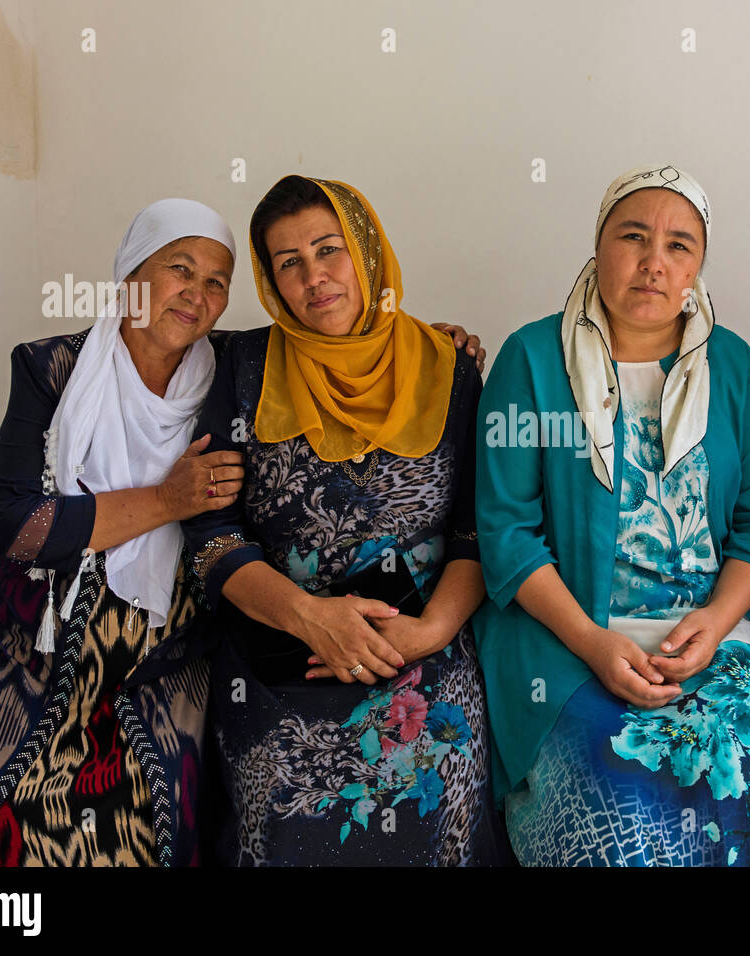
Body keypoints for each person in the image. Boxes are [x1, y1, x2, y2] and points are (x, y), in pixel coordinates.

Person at [474, 164, 750, 866]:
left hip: (705, 633)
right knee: (608, 783)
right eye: (633, 237)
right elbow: (506, 532)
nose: (654, 262)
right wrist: (593, 642)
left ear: (698, 269)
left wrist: (714, 622)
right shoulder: (531, 360)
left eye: (679, 245)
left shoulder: (733, 368)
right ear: (597, 247)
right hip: (565, 634)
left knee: (730, 772)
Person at [181, 174, 506, 866]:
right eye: (288, 262)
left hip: (422, 645)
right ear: (270, 281)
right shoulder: (241, 366)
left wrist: (430, 633)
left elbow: (477, 532)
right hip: (279, 647)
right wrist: (309, 617)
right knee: (281, 809)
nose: (315, 277)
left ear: (365, 253)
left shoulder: (449, 368)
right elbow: (212, 537)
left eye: (329, 250)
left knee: (438, 785)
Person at [0, 199, 244, 866]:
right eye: (180, 269)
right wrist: (167, 499)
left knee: (159, 835)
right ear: (132, 274)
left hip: (163, 678)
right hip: (31, 666)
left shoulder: (236, 376)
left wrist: (437, 344)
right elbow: (18, 528)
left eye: (217, 281)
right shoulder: (51, 368)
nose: (197, 294)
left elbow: (329, 342)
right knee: (10, 834)